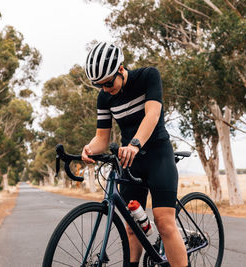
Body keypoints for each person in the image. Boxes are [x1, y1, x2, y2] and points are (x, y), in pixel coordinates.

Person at [81, 41, 188, 267]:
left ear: (121, 69)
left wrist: (135, 144)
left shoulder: (148, 76)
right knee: (132, 227)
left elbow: (152, 115)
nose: (105, 89)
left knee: (164, 222)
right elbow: (102, 138)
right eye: (99, 86)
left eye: (108, 82)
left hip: (158, 154)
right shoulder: (105, 98)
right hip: (130, 161)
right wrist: (89, 148)